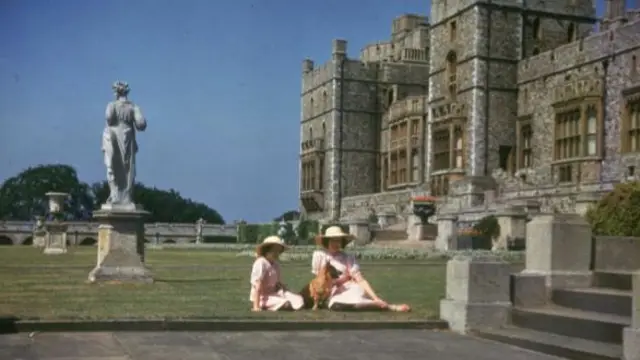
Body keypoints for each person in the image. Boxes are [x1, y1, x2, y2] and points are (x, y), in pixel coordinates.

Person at [311, 226, 411, 312]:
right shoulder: (319, 256)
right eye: (333, 240)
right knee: (335, 304)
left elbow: (360, 280)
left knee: (356, 294)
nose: (336, 243)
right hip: (331, 291)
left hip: (348, 288)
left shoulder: (348, 258)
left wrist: (375, 297)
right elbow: (319, 281)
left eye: (339, 240)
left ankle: (380, 304)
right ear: (327, 241)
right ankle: (368, 305)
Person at [250, 235, 304, 312]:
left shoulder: (276, 265)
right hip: (262, 296)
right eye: (274, 251)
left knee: (299, 300)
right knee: (286, 303)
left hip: (274, 293)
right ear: (267, 250)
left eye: (278, 251)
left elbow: (277, 284)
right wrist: (256, 306)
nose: (276, 253)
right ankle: (265, 305)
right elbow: (257, 285)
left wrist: (285, 290)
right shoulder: (261, 262)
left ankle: (281, 303)